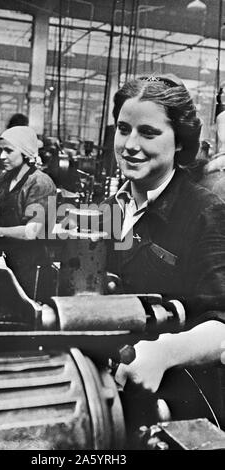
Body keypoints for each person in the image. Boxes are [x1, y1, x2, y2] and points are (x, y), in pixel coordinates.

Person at [101, 74, 225, 400]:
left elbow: (222, 322)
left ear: (180, 141)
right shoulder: (108, 210)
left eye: (149, 133)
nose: (130, 145)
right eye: (123, 129)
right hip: (104, 388)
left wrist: (164, 352)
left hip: (176, 399)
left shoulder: (204, 213)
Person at [0, 125, 57, 298]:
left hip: (30, 267)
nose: (2, 156)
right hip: (5, 261)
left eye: (9, 151)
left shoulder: (40, 183)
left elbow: (31, 232)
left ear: (25, 153)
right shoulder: (5, 178)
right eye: (1, 150)